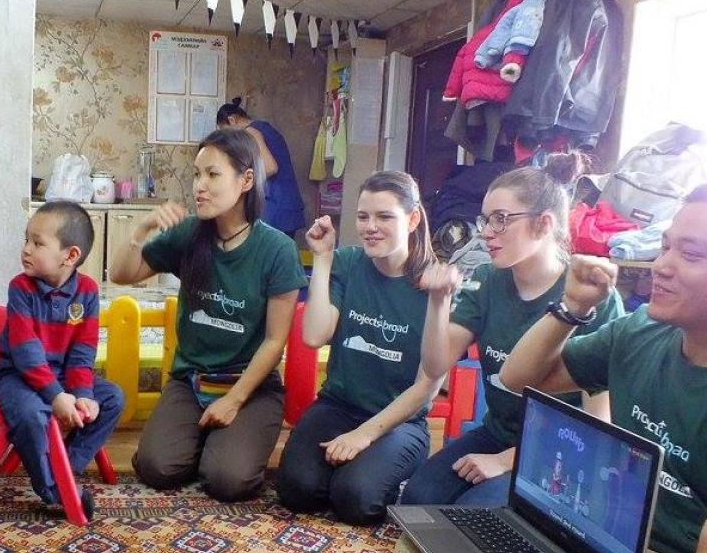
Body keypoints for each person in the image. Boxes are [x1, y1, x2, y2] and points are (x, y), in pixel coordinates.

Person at [398, 188, 707, 553]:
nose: (661, 266)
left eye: (691, 255)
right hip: (597, 531)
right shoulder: (639, 333)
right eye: (665, 247)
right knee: (422, 548)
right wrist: (571, 308)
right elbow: (520, 377)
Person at [401, 154, 624, 508]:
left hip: (562, 451)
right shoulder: (490, 279)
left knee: (473, 520)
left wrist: (505, 462)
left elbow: (599, 424)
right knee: (416, 500)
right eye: (485, 219)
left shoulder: (589, 295)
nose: (486, 232)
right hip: (498, 432)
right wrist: (438, 301)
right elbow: (434, 365)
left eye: (501, 220)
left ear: (545, 224)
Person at [109, 128, 307, 501]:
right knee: (156, 467)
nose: (199, 185)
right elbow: (121, 275)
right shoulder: (189, 234)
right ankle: (202, 437)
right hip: (192, 380)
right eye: (197, 174)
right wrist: (142, 229)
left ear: (247, 180)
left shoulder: (277, 249)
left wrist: (233, 401)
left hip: (250, 387)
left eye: (212, 174)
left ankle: (221, 442)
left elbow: (274, 340)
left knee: (228, 481)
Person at [275, 171, 443, 524]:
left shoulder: (434, 284)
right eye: (363, 216)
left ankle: (372, 472)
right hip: (338, 405)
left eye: (385, 217)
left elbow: (427, 388)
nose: (370, 227)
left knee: (356, 499)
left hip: (400, 422)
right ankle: (350, 472)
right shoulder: (349, 262)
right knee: (296, 490)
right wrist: (322, 257)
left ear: (413, 220)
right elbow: (314, 336)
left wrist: (363, 436)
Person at [0, 201, 124, 519]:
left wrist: (83, 396)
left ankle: (63, 465)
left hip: (63, 376)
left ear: (71, 255)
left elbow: (82, 354)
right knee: (32, 413)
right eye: (27, 239)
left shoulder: (88, 292)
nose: (26, 249)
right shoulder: (20, 288)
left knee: (113, 398)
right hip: (18, 377)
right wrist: (57, 397)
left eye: (37, 243)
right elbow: (26, 356)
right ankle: (55, 488)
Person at [216, 97, 306, 238]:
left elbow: (270, 167)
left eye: (227, 131)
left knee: (269, 255)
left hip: (277, 205)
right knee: (281, 256)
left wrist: (242, 181)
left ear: (232, 120)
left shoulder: (251, 132)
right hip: (287, 203)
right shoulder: (265, 127)